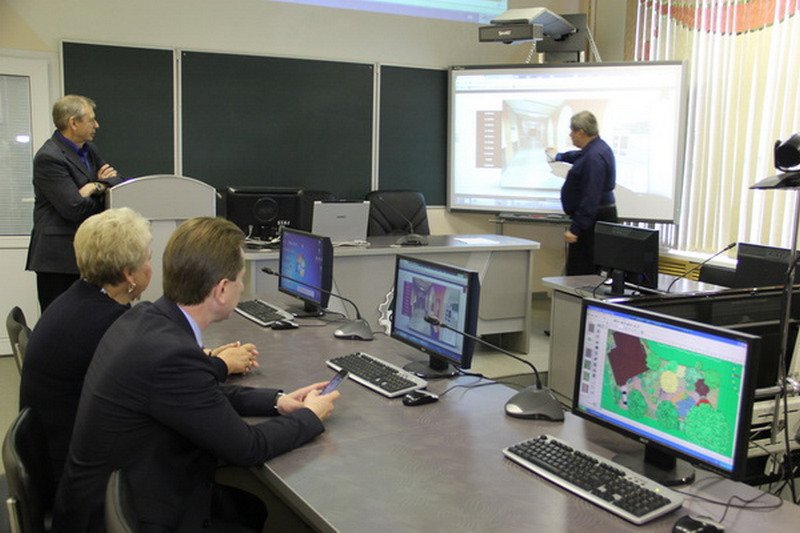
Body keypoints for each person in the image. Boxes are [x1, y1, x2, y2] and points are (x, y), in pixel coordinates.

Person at [52, 216, 339, 532]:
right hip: (124, 517)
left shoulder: (147, 318)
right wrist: (311, 416)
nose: (242, 287)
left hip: (112, 496)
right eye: (241, 279)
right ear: (222, 289)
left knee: (250, 509)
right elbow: (248, 447)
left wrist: (278, 401)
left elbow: (201, 393)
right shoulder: (171, 354)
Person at [26, 94, 126, 311]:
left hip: (84, 253)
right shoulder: (49, 157)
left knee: (87, 318)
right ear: (73, 122)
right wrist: (103, 196)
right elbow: (74, 208)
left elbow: (118, 181)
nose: (96, 125)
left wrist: (95, 187)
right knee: (60, 320)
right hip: (58, 260)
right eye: (91, 120)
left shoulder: (89, 150)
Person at [548, 110, 618, 275]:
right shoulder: (597, 148)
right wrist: (558, 156)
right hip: (596, 218)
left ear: (581, 132)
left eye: (572, 131)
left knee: (581, 273)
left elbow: (590, 197)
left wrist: (575, 229)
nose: (570, 135)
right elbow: (577, 156)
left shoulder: (593, 157)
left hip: (592, 222)